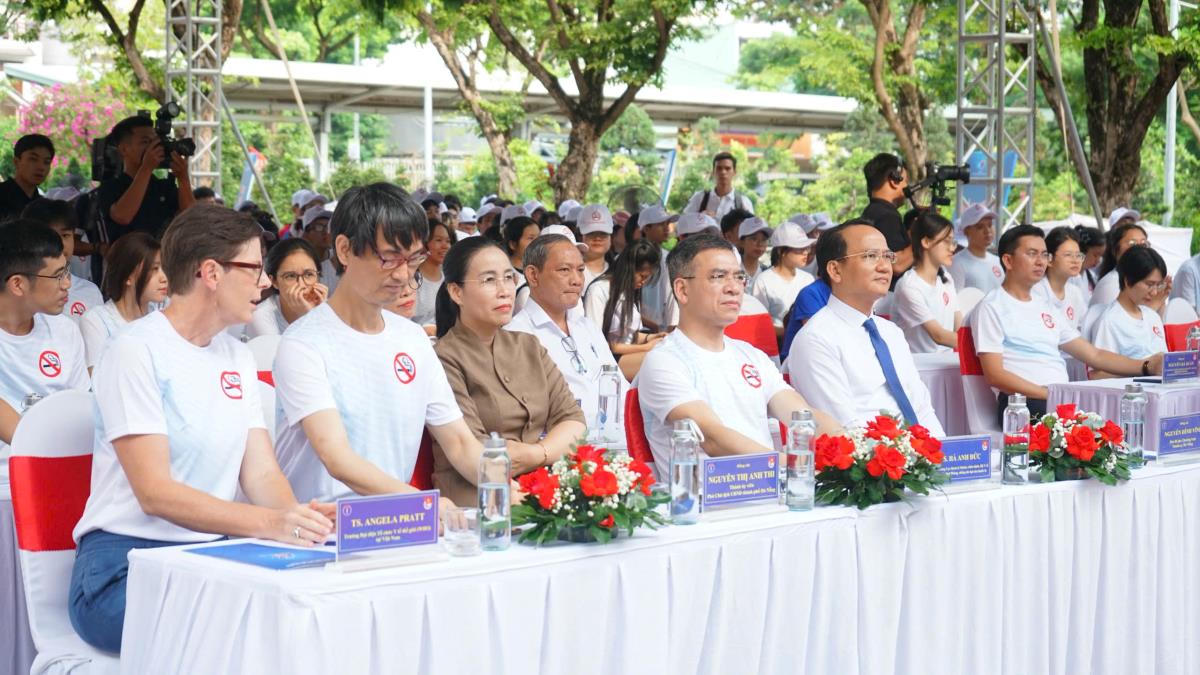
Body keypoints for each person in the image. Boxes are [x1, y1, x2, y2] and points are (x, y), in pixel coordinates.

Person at [68, 205, 335, 654]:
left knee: (303, 609)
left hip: (210, 557)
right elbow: (155, 493)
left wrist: (297, 526)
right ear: (211, 272)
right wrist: (270, 523)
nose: (265, 283)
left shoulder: (236, 356)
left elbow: (262, 474)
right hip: (125, 566)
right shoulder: (135, 350)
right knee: (252, 624)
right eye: (255, 269)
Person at [272, 183, 485, 517]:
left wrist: (511, 491)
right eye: (388, 258)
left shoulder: (412, 339)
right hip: (322, 527)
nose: (402, 274)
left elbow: (459, 442)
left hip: (397, 520)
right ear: (345, 250)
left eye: (413, 259)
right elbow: (338, 459)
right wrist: (425, 504)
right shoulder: (303, 344)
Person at [635, 235, 838, 480]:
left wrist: (855, 447)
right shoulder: (665, 361)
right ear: (682, 289)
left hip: (773, 489)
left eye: (739, 277)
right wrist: (798, 465)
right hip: (707, 500)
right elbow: (713, 438)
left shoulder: (751, 355)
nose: (734, 288)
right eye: (718, 276)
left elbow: (802, 416)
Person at [432, 237, 586, 505]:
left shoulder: (528, 346)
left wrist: (539, 453)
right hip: (477, 497)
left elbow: (573, 419)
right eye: (489, 280)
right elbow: (471, 445)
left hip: (540, 486)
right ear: (456, 292)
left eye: (508, 278)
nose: (504, 291)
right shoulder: (444, 358)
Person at [969, 225, 1163, 425]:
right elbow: (995, 375)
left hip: (1057, 398)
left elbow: (1094, 355)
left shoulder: (1045, 306)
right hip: (1023, 404)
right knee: (1098, 429)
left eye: (1044, 254)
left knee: (1119, 417)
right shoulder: (991, 306)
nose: (1041, 261)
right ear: (1008, 260)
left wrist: (1146, 366)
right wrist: (1050, 394)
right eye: (1032, 254)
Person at [788, 223, 945, 433]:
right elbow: (843, 428)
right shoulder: (816, 339)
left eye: (887, 256)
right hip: (867, 450)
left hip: (916, 449)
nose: (885, 267)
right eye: (871, 256)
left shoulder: (891, 332)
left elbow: (922, 408)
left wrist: (940, 448)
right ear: (835, 270)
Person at [0, 219, 90, 484]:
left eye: (67, 271)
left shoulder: (65, 330)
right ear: (18, 284)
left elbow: (80, 410)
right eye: (57, 275)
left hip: (58, 476)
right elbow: (20, 435)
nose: (67, 284)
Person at [507, 233, 621, 429]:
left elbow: (620, 388)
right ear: (533, 275)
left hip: (614, 438)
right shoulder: (515, 336)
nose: (577, 280)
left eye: (581, 270)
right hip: (564, 444)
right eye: (564, 270)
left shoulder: (587, 327)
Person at [79, 232, 168, 373]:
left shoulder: (164, 313)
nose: (164, 278)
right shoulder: (96, 320)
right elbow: (97, 378)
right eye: (154, 269)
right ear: (128, 276)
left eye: (164, 268)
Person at [96, 115, 195, 239]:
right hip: (128, 251)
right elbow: (122, 217)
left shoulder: (163, 185)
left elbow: (191, 219)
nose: (153, 147)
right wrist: (146, 168)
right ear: (123, 149)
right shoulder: (110, 186)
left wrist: (183, 178)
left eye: (155, 142)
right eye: (145, 142)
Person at [583, 239, 666, 380]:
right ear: (629, 269)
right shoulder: (598, 290)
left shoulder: (629, 291)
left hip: (626, 354)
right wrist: (645, 347)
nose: (644, 282)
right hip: (606, 361)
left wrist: (651, 338)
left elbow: (629, 335)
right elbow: (598, 343)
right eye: (642, 276)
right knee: (660, 360)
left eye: (647, 278)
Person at [22, 197, 104, 322]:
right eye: (51, 236)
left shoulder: (90, 291)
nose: (60, 243)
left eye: (65, 235)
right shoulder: (18, 293)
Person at [893, 211, 961, 353]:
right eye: (946, 241)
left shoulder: (946, 278)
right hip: (920, 364)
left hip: (947, 361)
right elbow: (939, 336)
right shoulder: (909, 286)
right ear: (926, 242)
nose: (952, 248)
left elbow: (959, 324)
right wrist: (981, 345)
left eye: (953, 242)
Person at [1090, 246, 1169, 366]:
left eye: (1158, 285)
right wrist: (1145, 368)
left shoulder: (1153, 317)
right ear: (1127, 281)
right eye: (1149, 284)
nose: (1154, 292)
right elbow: (1099, 372)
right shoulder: (1109, 321)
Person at [245, 238, 327, 339]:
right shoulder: (261, 316)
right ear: (274, 281)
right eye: (291, 276)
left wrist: (321, 314)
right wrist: (307, 317)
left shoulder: (325, 307)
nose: (302, 284)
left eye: (309, 274)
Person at [751, 222, 816, 337]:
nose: (806, 252)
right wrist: (788, 333)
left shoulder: (808, 279)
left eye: (807, 248)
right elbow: (759, 321)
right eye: (799, 249)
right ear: (781, 251)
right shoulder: (763, 281)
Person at [859, 153, 912, 279]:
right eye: (906, 181)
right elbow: (896, 264)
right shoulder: (887, 216)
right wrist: (923, 237)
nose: (907, 186)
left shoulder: (872, 211)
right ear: (894, 180)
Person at [1089, 219, 1164, 308]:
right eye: (1132, 244)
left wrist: (1160, 301)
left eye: (1144, 244)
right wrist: (1154, 305)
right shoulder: (1110, 284)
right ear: (1115, 250)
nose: (1140, 249)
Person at [1033, 226, 1088, 330]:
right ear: (1049, 259)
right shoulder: (1035, 291)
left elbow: (1083, 328)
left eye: (1078, 255)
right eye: (1068, 255)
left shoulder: (1075, 293)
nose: (1075, 261)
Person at [635, 205, 678, 331]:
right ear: (646, 228)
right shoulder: (630, 257)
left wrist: (669, 327)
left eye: (667, 223)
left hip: (663, 329)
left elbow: (671, 296)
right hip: (634, 328)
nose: (666, 228)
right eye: (660, 224)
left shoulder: (669, 258)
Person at [949, 203, 1003, 292]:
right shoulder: (957, 263)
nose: (987, 231)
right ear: (966, 231)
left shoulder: (998, 261)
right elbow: (956, 298)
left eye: (990, 225)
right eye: (980, 227)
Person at [683, 152, 755, 219]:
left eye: (727, 168)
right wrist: (700, 217)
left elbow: (750, 228)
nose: (723, 172)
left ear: (734, 172)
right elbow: (683, 223)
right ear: (713, 172)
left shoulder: (743, 202)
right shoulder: (699, 198)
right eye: (719, 168)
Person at [412, 220, 456, 330]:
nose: (445, 246)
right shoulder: (412, 279)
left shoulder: (449, 276)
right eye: (438, 240)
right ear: (423, 243)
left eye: (448, 241)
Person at [0, 134, 54, 221]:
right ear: (16, 162)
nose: (41, 167)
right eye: (33, 159)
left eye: (46, 162)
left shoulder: (44, 206)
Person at [577, 204, 613, 288]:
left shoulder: (619, 271)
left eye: (603, 233)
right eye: (591, 233)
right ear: (581, 236)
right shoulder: (572, 273)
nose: (597, 238)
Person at [502, 215, 540, 288]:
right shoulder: (505, 274)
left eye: (539, 237)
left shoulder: (543, 270)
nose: (537, 242)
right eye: (531, 238)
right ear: (513, 244)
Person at [1071, 225, 1106, 301]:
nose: (1098, 260)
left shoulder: (1092, 276)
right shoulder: (1069, 278)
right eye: (1095, 255)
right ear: (1082, 251)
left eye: (1100, 256)